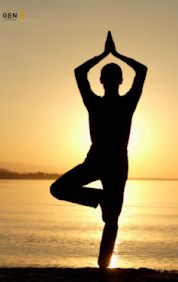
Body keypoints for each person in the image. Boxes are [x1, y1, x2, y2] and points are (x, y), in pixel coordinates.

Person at [50, 31, 147, 268]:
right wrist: (114, 54)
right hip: (100, 161)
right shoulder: (109, 103)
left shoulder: (117, 103)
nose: (111, 80)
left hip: (112, 163)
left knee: (111, 218)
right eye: (110, 76)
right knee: (64, 191)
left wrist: (106, 55)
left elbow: (80, 72)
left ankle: (104, 267)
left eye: (112, 76)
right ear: (107, 81)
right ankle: (102, 199)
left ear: (103, 81)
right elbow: (141, 70)